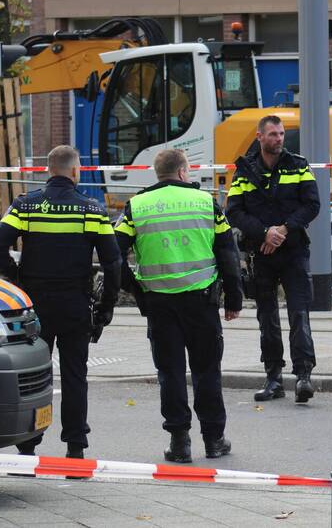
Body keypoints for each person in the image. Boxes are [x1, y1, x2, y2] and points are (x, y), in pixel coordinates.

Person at [0, 145, 121, 461]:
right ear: (75, 172)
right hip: (75, 304)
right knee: (75, 375)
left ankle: (28, 444)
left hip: (36, 305)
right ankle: (75, 447)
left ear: (49, 170)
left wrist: (17, 277)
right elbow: (113, 263)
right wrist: (106, 306)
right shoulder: (91, 209)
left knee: (34, 374)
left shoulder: (26, 205)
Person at [115, 148, 243, 463]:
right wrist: (234, 298)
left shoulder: (137, 206)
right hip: (201, 302)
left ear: (157, 173)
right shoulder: (206, 202)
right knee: (207, 371)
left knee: (170, 372)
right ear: (184, 171)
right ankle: (214, 440)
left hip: (159, 304)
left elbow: (112, 254)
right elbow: (228, 252)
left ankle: (180, 443)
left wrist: (137, 290)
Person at [226, 115, 320, 404]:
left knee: (299, 315)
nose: (279, 139)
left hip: (293, 252)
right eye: (273, 134)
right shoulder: (243, 172)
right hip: (261, 255)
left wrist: (283, 229)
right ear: (260, 137)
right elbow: (233, 211)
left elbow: (312, 204)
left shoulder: (299, 165)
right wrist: (265, 233)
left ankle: (303, 377)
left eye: (281, 134)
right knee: (267, 318)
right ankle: (273, 378)